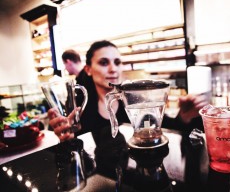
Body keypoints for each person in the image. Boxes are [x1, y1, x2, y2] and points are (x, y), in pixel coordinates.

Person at [48, 40, 210, 143]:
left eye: (117, 62)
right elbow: (67, 142)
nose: (113, 69)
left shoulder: (135, 100)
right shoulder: (77, 105)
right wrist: (64, 137)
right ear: (88, 69)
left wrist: (184, 117)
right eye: (104, 63)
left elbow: (161, 127)